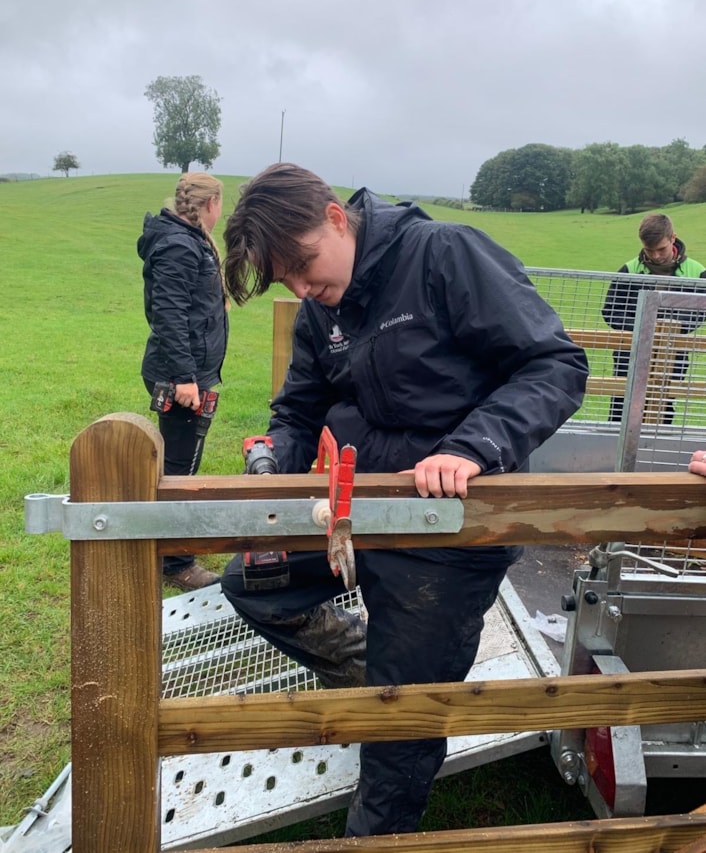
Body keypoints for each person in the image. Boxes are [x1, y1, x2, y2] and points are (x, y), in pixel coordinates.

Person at [219, 162, 588, 837]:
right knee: (252, 577)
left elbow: (555, 363)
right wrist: (275, 460)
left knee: (396, 733)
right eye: (287, 281)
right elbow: (300, 407)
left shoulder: (444, 254)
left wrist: (475, 444)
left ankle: (377, 824)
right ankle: (374, 664)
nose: (304, 289)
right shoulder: (319, 307)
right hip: (354, 518)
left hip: (445, 533)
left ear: (336, 215)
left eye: (303, 265)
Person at [138, 172, 229, 591]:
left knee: (177, 460)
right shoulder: (179, 244)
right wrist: (185, 379)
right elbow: (169, 315)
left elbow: (186, 305)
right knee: (181, 468)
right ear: (211, 204)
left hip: (191, 370)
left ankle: (163, 546)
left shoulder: (188, 239)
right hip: (181, 377)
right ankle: (175, 562)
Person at [601, 213, 706, 424]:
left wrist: (674, 327)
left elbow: (701, 311)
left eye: (661, 249)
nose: (656, 256)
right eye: (649, 250)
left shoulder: (697, 273)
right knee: (622, 404)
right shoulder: (630, 270)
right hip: (630, 349)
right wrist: (645, 326)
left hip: (673, 350)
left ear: (673, 238)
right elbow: (611, 310)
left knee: (663, 405)